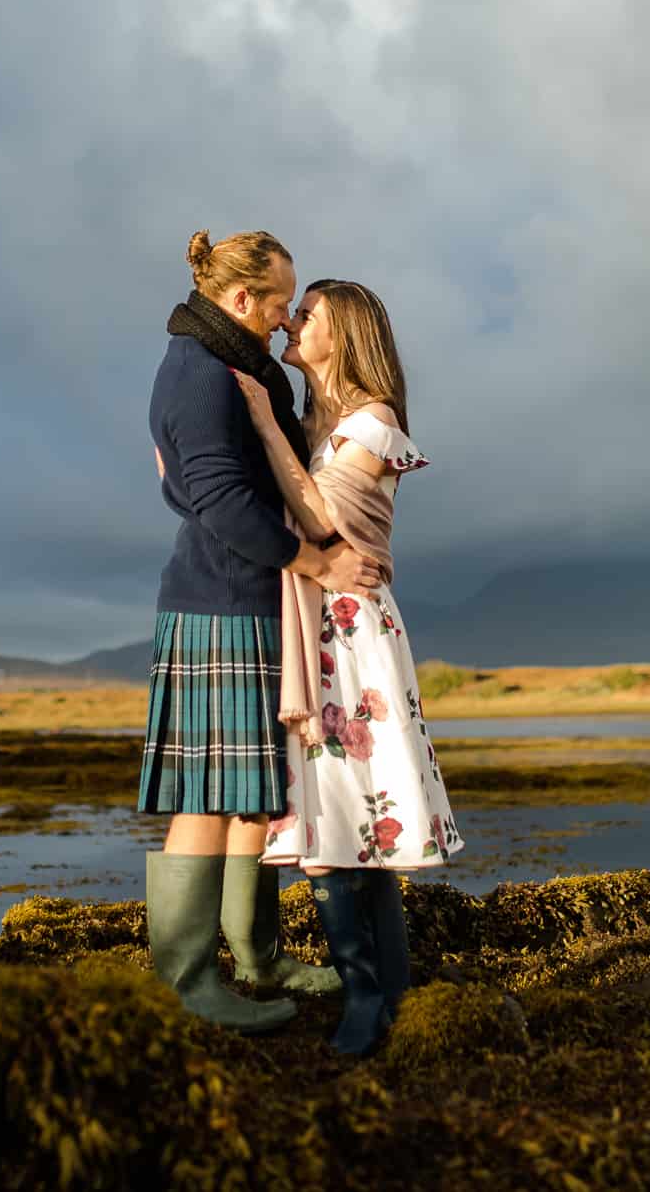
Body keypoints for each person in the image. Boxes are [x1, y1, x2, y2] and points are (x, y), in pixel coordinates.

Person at [142, 230, 385, 1033]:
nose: (286, 318)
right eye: (281, 300)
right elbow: (217, 498)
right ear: (241, 299)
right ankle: (186, 980)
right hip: (220, 601)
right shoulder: (202, 373)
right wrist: (314, 562)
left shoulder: (226, 368)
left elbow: (198, 487)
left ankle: (254, 955)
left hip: (246, 596)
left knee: (251, 792)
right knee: (209, 796)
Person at [236, 278, 464, 1055]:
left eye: (307, 316)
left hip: (352, 632)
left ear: (347, 335)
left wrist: (266, 429)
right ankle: (377, 990)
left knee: (350, 806)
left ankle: (372, 995)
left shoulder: (374, 422)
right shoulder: (317, 423)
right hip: (309, 629)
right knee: (333, 811)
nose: (292, 323)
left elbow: (321, 519)